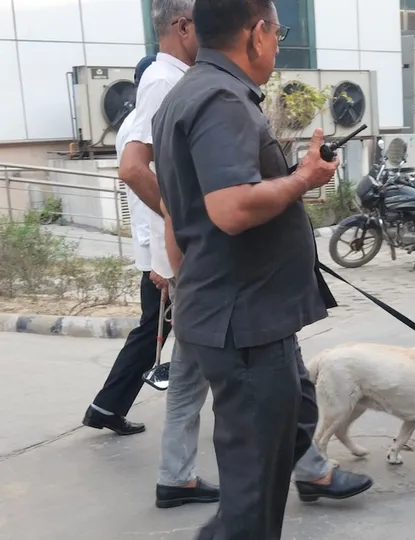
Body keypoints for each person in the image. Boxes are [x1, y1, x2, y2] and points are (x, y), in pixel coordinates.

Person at [152, 1, 372, 537]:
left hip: (241, 316)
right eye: (277, 31)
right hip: (244, 323)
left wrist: (187, 292)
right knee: (254, 498)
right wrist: (303, 179)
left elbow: (179, 214)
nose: (277, 41)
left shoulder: (187, 93)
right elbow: (230, 207)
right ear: (256, 34)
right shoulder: (222, 99)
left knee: (278, 445)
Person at [114, 0, 225, 510]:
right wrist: (177, 232)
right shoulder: (163, 82)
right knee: (236, 359)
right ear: (183, 27)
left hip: (189, 253)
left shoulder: (178, 77)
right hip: (190, 256)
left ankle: (176, 476)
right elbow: (135, 170)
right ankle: (303, 463)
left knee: (191, 369)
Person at [81, 54, 165, 437]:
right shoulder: (144, 126)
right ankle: (107, 405)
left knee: (154, 330)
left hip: (157, 250)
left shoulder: (134, 124)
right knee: (153, 331)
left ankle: (107, 406)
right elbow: (151, 198)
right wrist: (155, 260)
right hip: (161, 253)